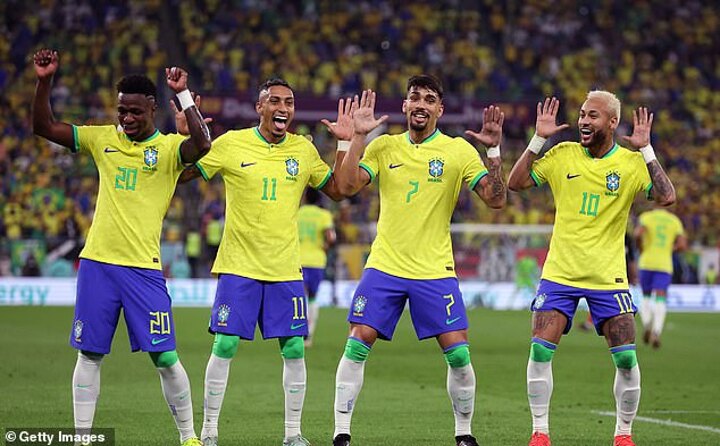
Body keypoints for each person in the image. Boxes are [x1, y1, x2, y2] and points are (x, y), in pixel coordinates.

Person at [32, 49, 212, 446]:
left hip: (143, 269)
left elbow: (203, 144)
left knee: (165, 357)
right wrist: (45, 82)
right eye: (121, 111)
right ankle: (82, 438)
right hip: (97, 264)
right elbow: (43, 126)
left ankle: (189, 438)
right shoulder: (102, 139)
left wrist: (183, 95)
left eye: (135, 111)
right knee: (89, 354)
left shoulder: (169, 150)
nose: (127, 118)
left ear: (152, 109)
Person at [331, 76, 507, 446]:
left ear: (439, 109)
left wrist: (493, 151)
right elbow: (345, 187)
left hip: (434, 269)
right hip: (385, 265)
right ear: (405, 105)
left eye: (429, 99)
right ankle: (341, 432)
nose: (421, 104)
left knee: (458, 352)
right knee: (357, 341)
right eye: (415, 97)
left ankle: (463, 433)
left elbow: (495, 199)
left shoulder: (457, 151)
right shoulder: (384, 147)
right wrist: (357, 137)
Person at [177, 79, 350, 446]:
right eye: (275, 101)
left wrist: (345, 144)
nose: (282, 108)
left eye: (289, 102)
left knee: (294, 349)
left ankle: (293, 434)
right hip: (238, 265)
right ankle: (209, 432)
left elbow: (337, 189)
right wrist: (183, 142)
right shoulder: (231, 143)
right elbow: (183, 173)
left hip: (285, 268)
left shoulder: (303, 150)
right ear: (260, 107)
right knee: (225, 345)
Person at [507, 93, 676, 446]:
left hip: (607, 276)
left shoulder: (630, 164)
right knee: (540, 351)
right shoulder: (562, 154)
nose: (583, 121)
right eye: (582, 114)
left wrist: (647, 150)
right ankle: (540, 432)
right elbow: (515, 183)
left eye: (593, 115)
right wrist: (538, 139)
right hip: (560, 273)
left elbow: (666, 197)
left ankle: (623, 435)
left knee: (626, 358)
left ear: (612, 122)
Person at [635, 207, 686, 348]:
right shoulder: (674, 221)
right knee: (660, 297)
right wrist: (670, 249)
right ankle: (656, 332)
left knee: (645, 296)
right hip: (664, 264)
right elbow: (682, 245)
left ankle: (647, 324)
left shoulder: (646, 217)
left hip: (646, 262)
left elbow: (638, 234)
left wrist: (641, 248)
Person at [297, 187, 336, 347]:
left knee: (299, 297)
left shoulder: (297, 213)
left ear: (305, 197)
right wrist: (324, 248)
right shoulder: (324, 215)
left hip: (298, 259)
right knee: (313, 297)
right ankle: (309, 335)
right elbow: (331, 237)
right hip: (316, 261)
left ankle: (297, 331)